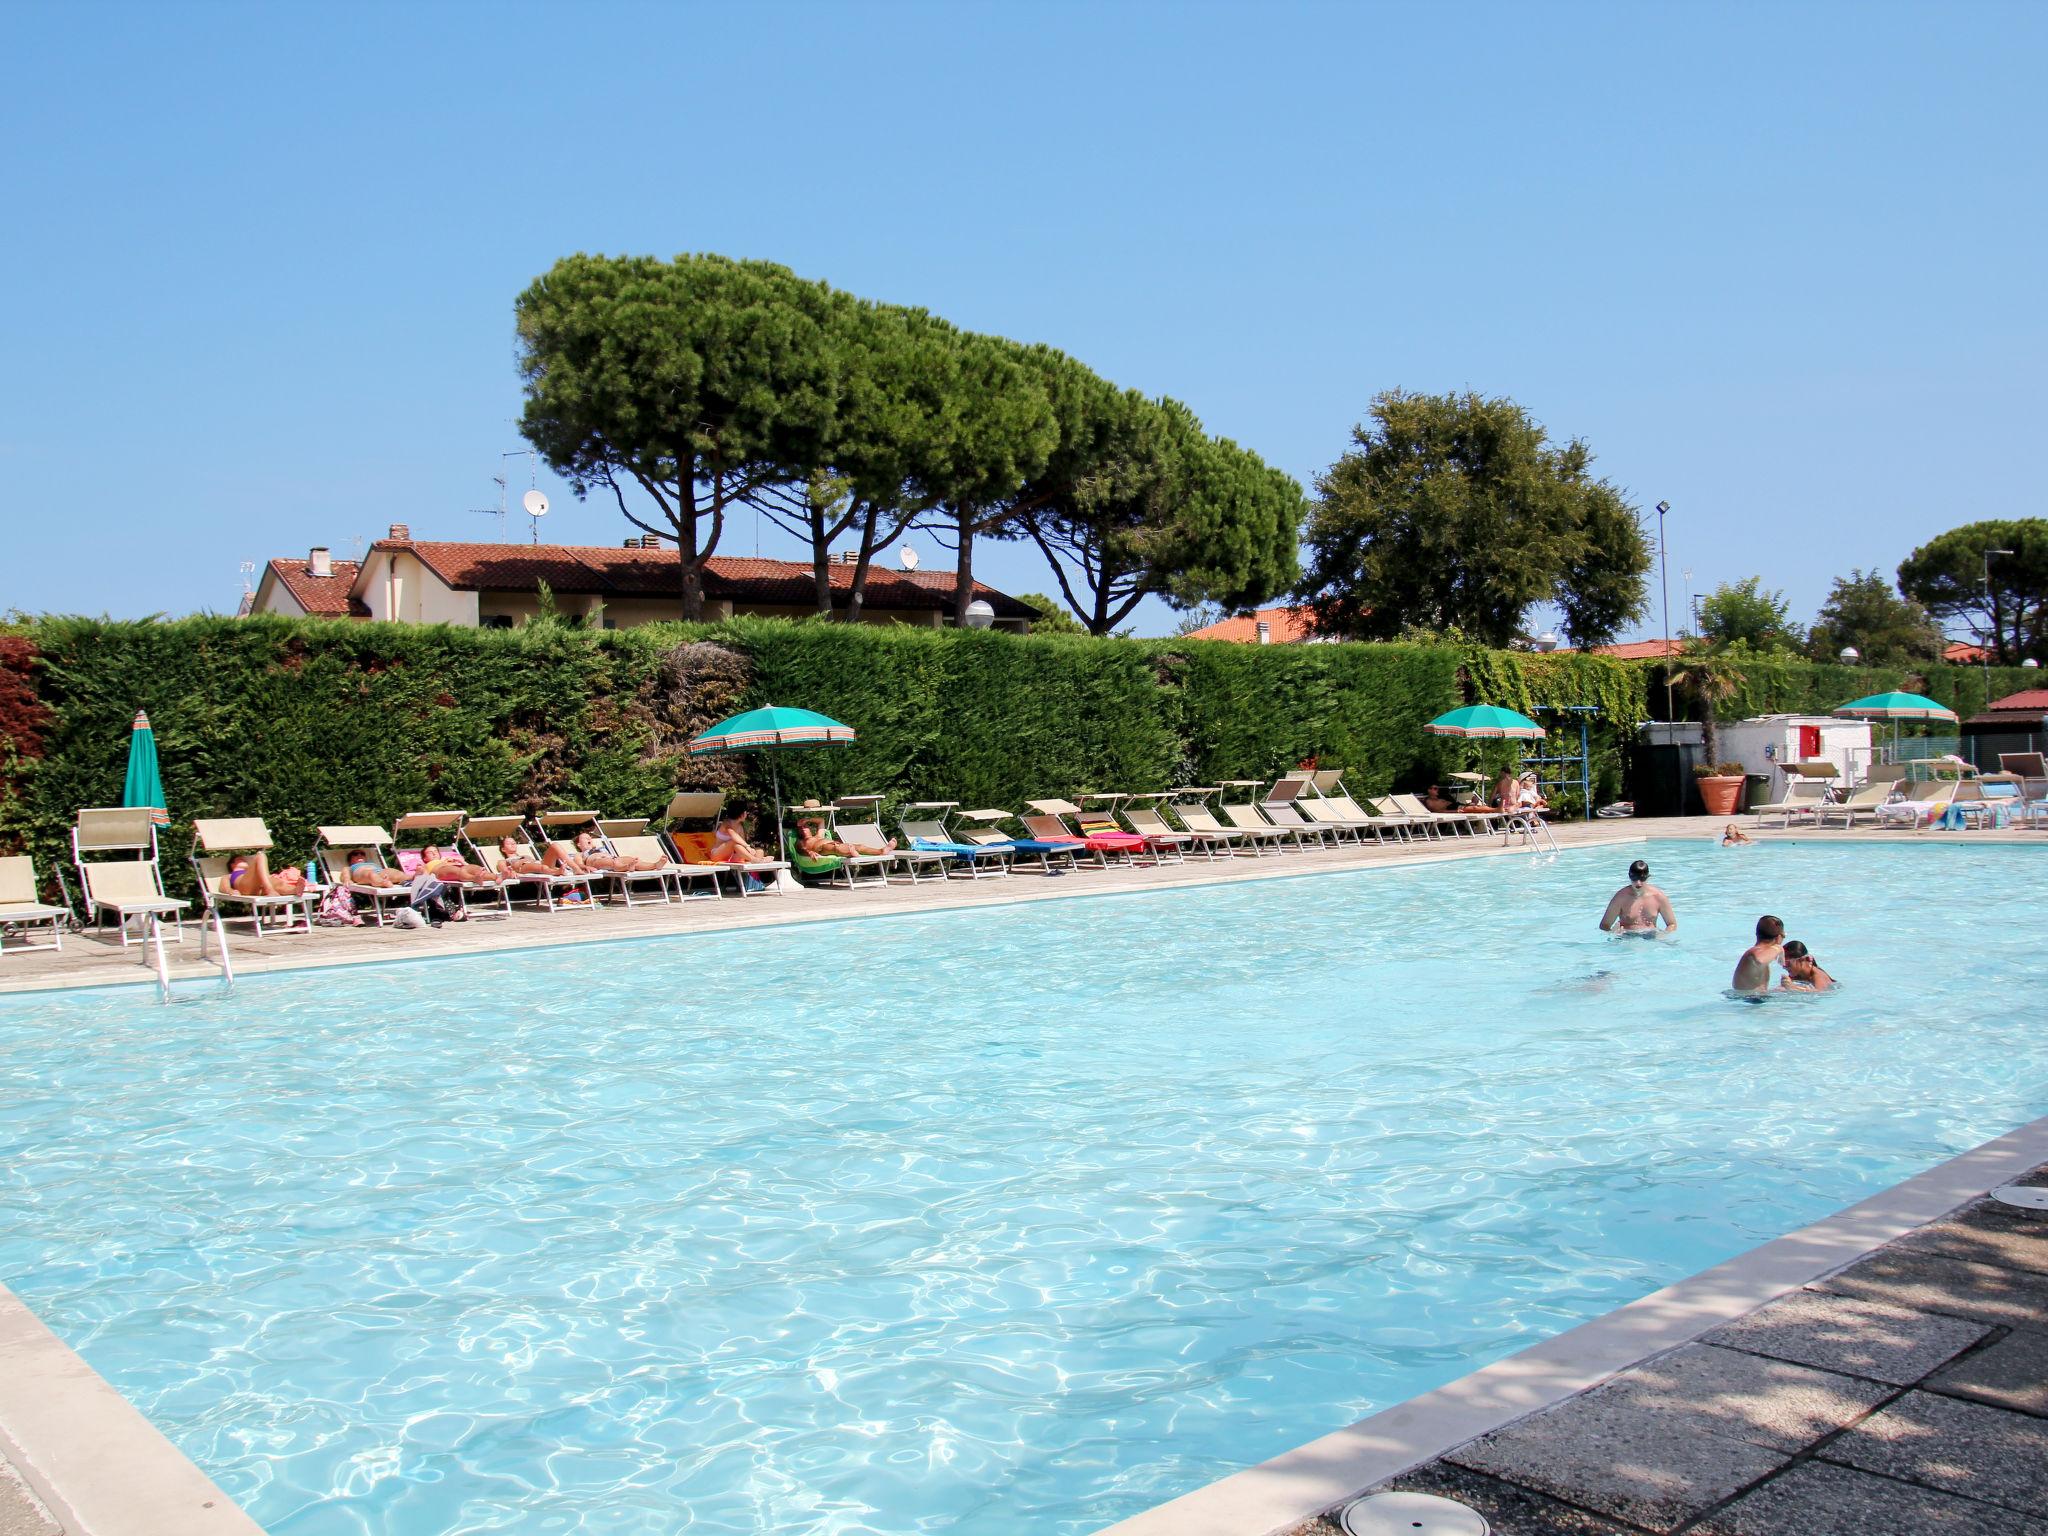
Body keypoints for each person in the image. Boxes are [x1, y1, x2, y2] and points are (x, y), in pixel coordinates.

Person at [1598, 858, 1677, 935]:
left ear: (1648, 877)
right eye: (1634, 878)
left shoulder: (1659, 897)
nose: (1638, 883)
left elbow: (1672, 924)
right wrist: (1613, 933)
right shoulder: (1620, 898)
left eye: (1642, 878)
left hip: (1651, 938)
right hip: (1627, 939)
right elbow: (1604, 925)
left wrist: (1663, 934)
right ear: (1629, 876)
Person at [796, 815, 897, 859]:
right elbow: (801, 849)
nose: (803, 828)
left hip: (835, 844)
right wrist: (809, 852)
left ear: (810, 828)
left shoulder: (818, 835)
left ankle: (881, 851)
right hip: (823, 849)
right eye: (801, 828)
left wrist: (808, 819)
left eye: (805, 827)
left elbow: (821, 820)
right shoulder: (802, 841)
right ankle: (852, 854)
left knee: (859, 846)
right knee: (836, 848)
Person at [1732, 915, 1786, 994]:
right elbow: (1760, 960)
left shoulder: (1753, 952)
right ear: (1779, 937)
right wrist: (1778, 948)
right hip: (1749, 1001)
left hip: (1750, 999)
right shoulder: (1755, 953)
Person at [220, 850, 307, 898]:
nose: (243, 860)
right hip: (244, 887)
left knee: (277, 883)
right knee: (260, 855)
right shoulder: (229, 876)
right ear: (232, 865)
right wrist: (230, 891)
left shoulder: (252, 871)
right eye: (240, 860)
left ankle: (294, 890)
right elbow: (223, 887)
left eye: (244, 859)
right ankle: (270, 890)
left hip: (259, 889)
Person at [571, 830, 664, 873]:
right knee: (613, 862)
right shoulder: (580, 854)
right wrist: (586, 867)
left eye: (590, 837)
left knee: (630, 859)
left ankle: (655, 865)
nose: (589, 838)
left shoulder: (599, 848)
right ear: (579, 844)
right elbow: (578, 864)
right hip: (597, 862)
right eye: (585, 838)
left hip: (613, 858)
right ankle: (627, 867)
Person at [418, 844, 498, 884]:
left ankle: (496, 877)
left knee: (476, 868)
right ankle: (474, 878)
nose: (434, 854)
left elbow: (466, 866)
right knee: (456, 870)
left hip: (458, 867)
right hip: (439, 871)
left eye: (435, 851)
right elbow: (422, 876)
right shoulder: (425, 865)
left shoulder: (446, 860)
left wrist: (461, 861)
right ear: (424, 858)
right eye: (430, 852)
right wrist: (444, 863)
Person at [343, 848, 411, 888]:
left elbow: (383, 871)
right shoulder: (351, 867)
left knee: (393, 871)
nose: (359, 855)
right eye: (355, 854)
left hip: (379, 872)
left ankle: (412, 877)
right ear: (350, 860)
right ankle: (382, 882)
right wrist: (347, 879)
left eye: (362, 854)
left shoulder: (372, 863)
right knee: (370, 874)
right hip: (361, 874)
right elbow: (345, 873)